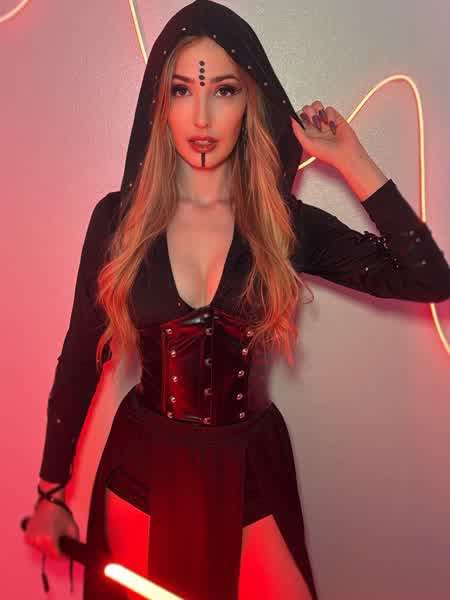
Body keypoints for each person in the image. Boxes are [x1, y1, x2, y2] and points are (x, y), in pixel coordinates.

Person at [23, 1, 450, 599]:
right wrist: (50, 491)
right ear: (160, 102)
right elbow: (78, 360)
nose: (201, 116)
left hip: (251, 467)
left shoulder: (283, 225)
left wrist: (352, 160)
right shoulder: (118, 222)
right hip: (143, 474)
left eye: (223, 91)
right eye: (182, 90)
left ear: (251, 101)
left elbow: (428, 279)